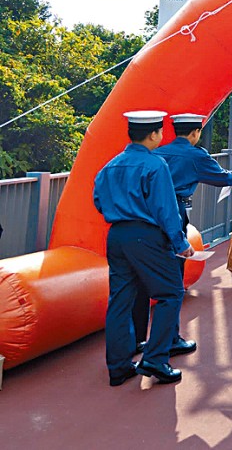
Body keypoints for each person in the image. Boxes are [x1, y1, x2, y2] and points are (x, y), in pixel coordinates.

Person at [94, 111, 195, 386]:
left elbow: (99, 201)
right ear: (153, 134)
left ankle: (118, 366)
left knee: (120, 300)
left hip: (117, 235)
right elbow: (166, 209)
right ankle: (156, 358)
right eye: (161, 132)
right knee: (171, 293)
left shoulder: (110, 165)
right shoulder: (155, 164)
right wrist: (181, 244)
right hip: (146, 236)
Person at [132, 113, 232, 358]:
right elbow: (222, 177)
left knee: (139, 281)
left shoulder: (156, 154)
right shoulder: (195, 155)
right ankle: (169, 340)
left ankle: (138, 339)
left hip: (145, 218)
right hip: (174, 213)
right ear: (195, 133)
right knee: (172, 281)